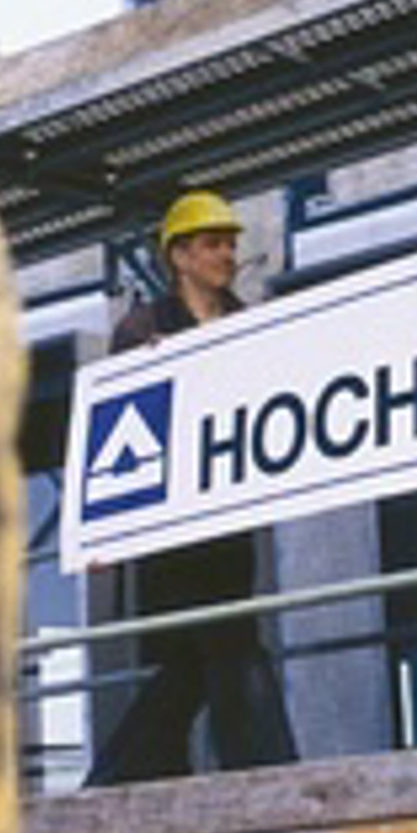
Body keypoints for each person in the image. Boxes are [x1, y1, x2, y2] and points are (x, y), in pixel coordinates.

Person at [85, 189, 298, 784]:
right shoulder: (142, 329)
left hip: (228, 524)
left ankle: (120, 778)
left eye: (229, 244)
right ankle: (267, 776)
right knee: (226, 646)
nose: (226, 255)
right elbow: (121, 433)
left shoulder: (247, 326)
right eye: (212, 244)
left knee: (193, 662)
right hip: (172, 534)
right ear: (179, 256)